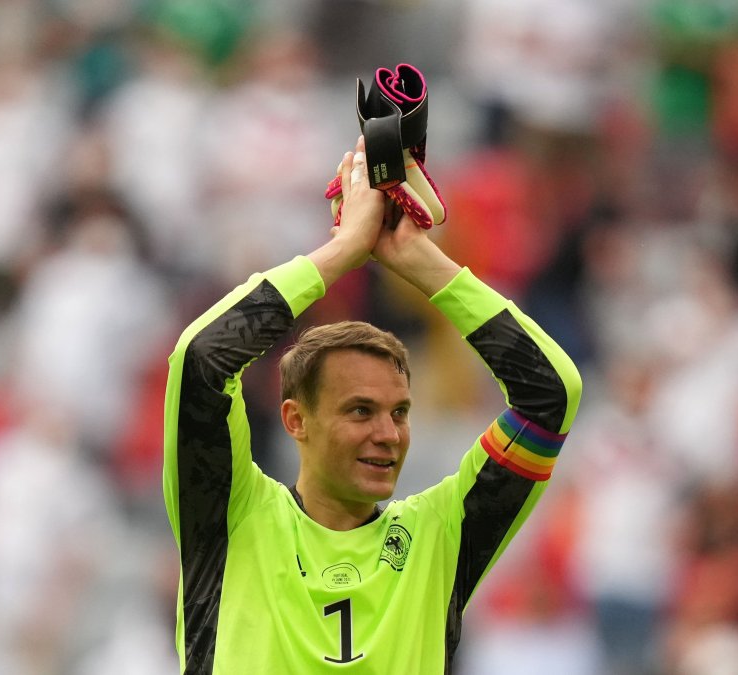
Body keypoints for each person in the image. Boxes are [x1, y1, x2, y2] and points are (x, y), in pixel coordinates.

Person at [163, 137, 583, 672]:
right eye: (360, 410)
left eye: (400, 412)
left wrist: (421, 261)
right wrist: (343, 251)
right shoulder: (232, 518)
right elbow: (203, 359)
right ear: (296, 419)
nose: (388, 433)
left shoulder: (439, 538)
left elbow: (551, 394)